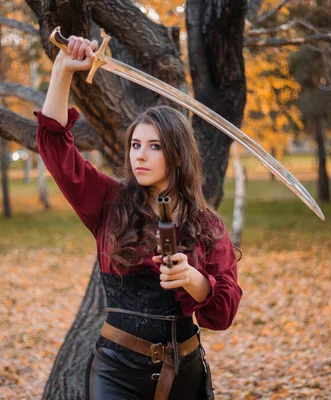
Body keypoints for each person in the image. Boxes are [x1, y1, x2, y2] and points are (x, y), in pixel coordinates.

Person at [36, 35, 243, 400]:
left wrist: (194, 280)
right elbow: (56, 149)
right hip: (117, 373)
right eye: (135, 145)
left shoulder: (207, 226)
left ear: (177, 156)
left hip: (185, 374)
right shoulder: (108, 201)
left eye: (154, 146)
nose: (140, 156)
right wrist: (62, 72)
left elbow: (223, 315)